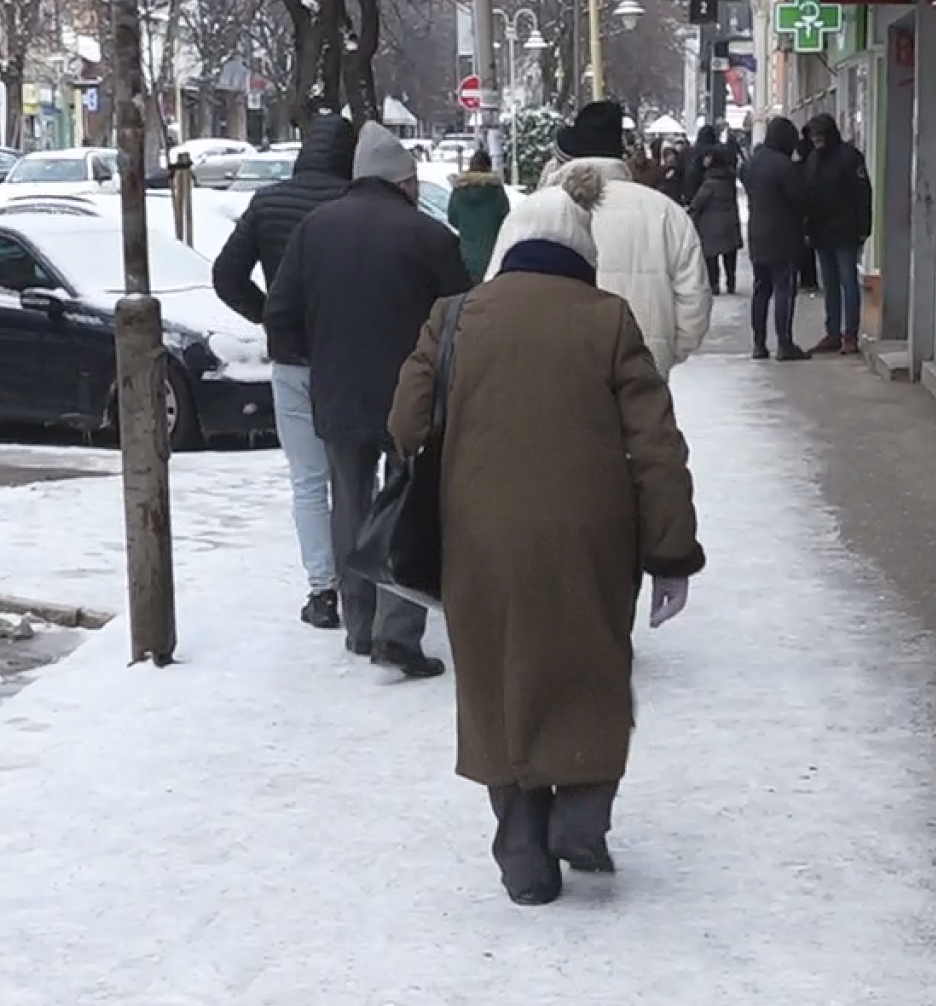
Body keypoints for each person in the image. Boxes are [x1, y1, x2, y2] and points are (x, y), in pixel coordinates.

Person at [389, 165, 704, 907]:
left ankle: (524, 854)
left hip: (479, 535)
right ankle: (581, 816)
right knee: (590, 667)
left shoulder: (454, 317)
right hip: (591, 535)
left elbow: (404, 424)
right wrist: (670, 550)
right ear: (581, 251)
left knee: (497, 678)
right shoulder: (609, 320)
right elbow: (656, 445)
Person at [262, 122, 471, 679]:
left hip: (338, 389)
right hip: (412, 395)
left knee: (349, 501)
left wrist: (317, 353)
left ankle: (357, 623)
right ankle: (396, 631)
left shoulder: (313, 229)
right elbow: (460, 321)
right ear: (404, 182)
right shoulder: (431, 237)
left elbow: (279, 312)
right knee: (407, 503)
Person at [211, 113, 358, 630]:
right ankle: (362, 585)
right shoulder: (354, 204)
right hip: (349, 358)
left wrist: (269, 315)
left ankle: (322, 590)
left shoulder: (268, 202)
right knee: (355, 477)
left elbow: (226, 275)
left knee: (308, 480)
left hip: (292, 358)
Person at [488, 101, 709, 379]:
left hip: (551, 376)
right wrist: (660, 355)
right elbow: (694, 305)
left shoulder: (530, 212)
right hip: (642, 375)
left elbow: (494, 297)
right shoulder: (666, 213)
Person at [743, 116, 813, 362]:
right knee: (784, 288)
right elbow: (802, 200)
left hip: (757, 233)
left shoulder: (751, 164)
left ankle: (758, 344)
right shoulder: (785, 166)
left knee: (761, 289)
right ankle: (784, 343)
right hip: (783, 235)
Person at [801, 113, 872, 355]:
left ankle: (850, 335)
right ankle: (833, 333)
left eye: (819, 135)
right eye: (813, 136)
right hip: (822, 231)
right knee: (830, 285)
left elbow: (863, 194)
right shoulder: (813, 159)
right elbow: (808, 194)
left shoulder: (850, 158)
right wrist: (808, 228)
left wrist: (863, 228)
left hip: (845, 231)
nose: (816, 140)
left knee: (848, 282)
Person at [446, 149, 512, 285]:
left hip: (466, 255)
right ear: (488, 167)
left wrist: (467, 228)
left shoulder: (459, 189)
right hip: (493, 254)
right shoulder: (495, 190)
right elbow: (506, 217)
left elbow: (452, 218)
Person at [688, 144, 743, 294]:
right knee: (730, 255)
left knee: (711, 256)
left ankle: (714, 284)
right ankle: (731, 282)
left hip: (711, 224)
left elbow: (698, 203)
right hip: (730, 221)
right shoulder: (729, 179)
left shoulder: (709, 183)